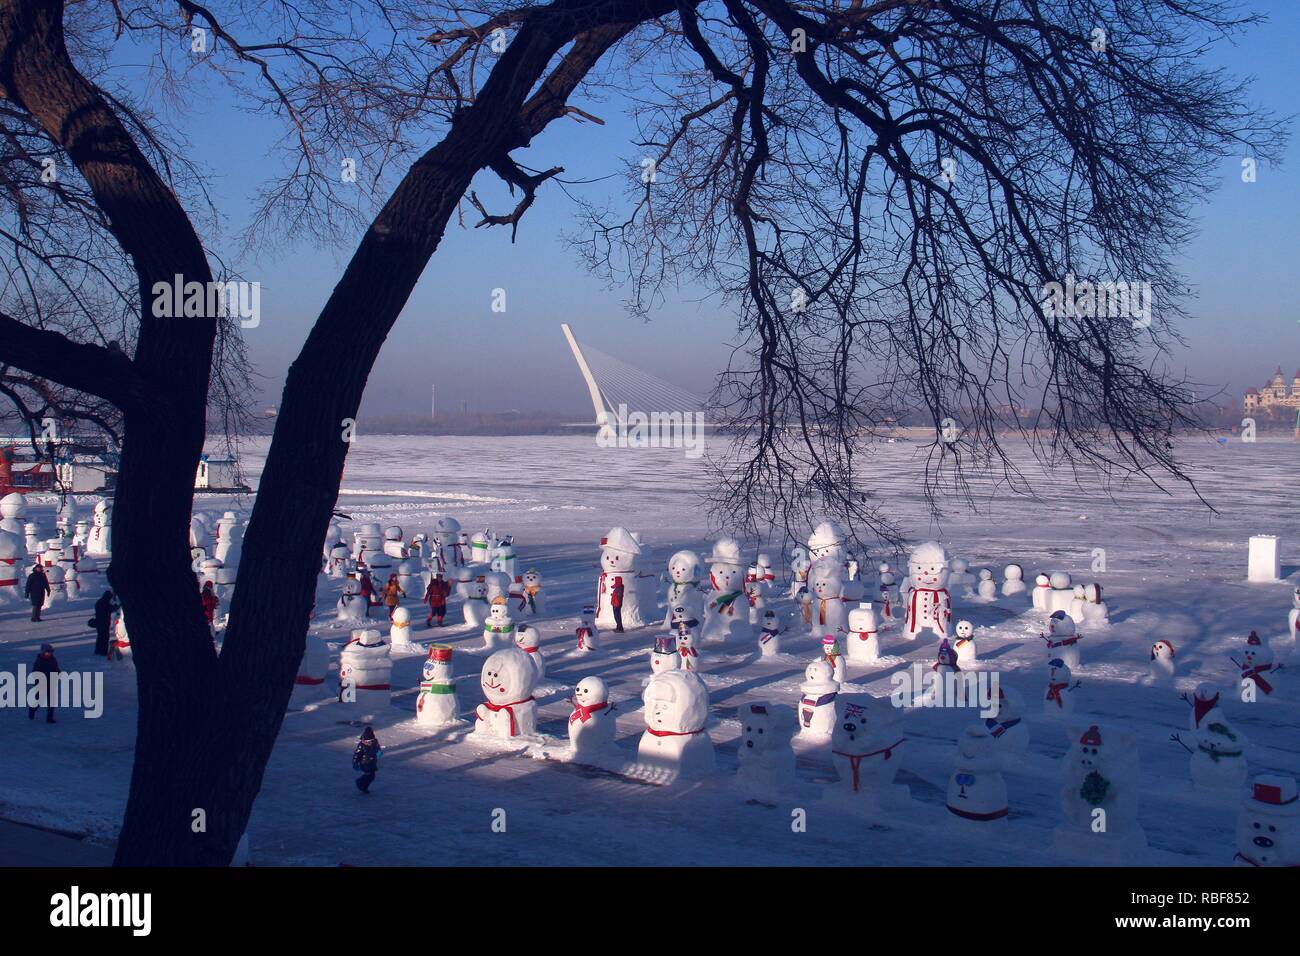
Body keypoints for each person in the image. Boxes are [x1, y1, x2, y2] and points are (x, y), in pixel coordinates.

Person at [28, 643, 59, 723]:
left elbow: (56, 668)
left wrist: (59, 673)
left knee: (51, 701)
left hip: (51, 682)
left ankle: (50, 718)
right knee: (39, 700)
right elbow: (35, 672)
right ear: (43, 652)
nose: (48, 653)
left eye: (50, 652)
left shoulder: (53, 659)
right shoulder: (39, 661)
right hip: (41, 683)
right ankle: (32, 709)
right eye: (47, 652)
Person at [352, 726, 382, 793]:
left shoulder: (375, 743)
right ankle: (360, 783)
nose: (369, 742)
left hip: (372, 762)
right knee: (369, 774)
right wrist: (355, 762)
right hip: (365, 763)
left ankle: (364, 787)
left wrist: (379, 752)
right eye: (368, 741)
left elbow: (377, 749)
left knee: (372, 776)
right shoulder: (362, 745)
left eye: (371, 740)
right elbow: (357, 754)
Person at [91, 589, 119, 656]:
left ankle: (98, 650)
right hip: (103, 623)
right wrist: (117, 606)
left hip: (99, 623)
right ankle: (103, 651)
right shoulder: (104, 603)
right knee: (104, 638)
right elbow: (110, 609)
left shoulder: (100, 602)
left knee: (100, 637)